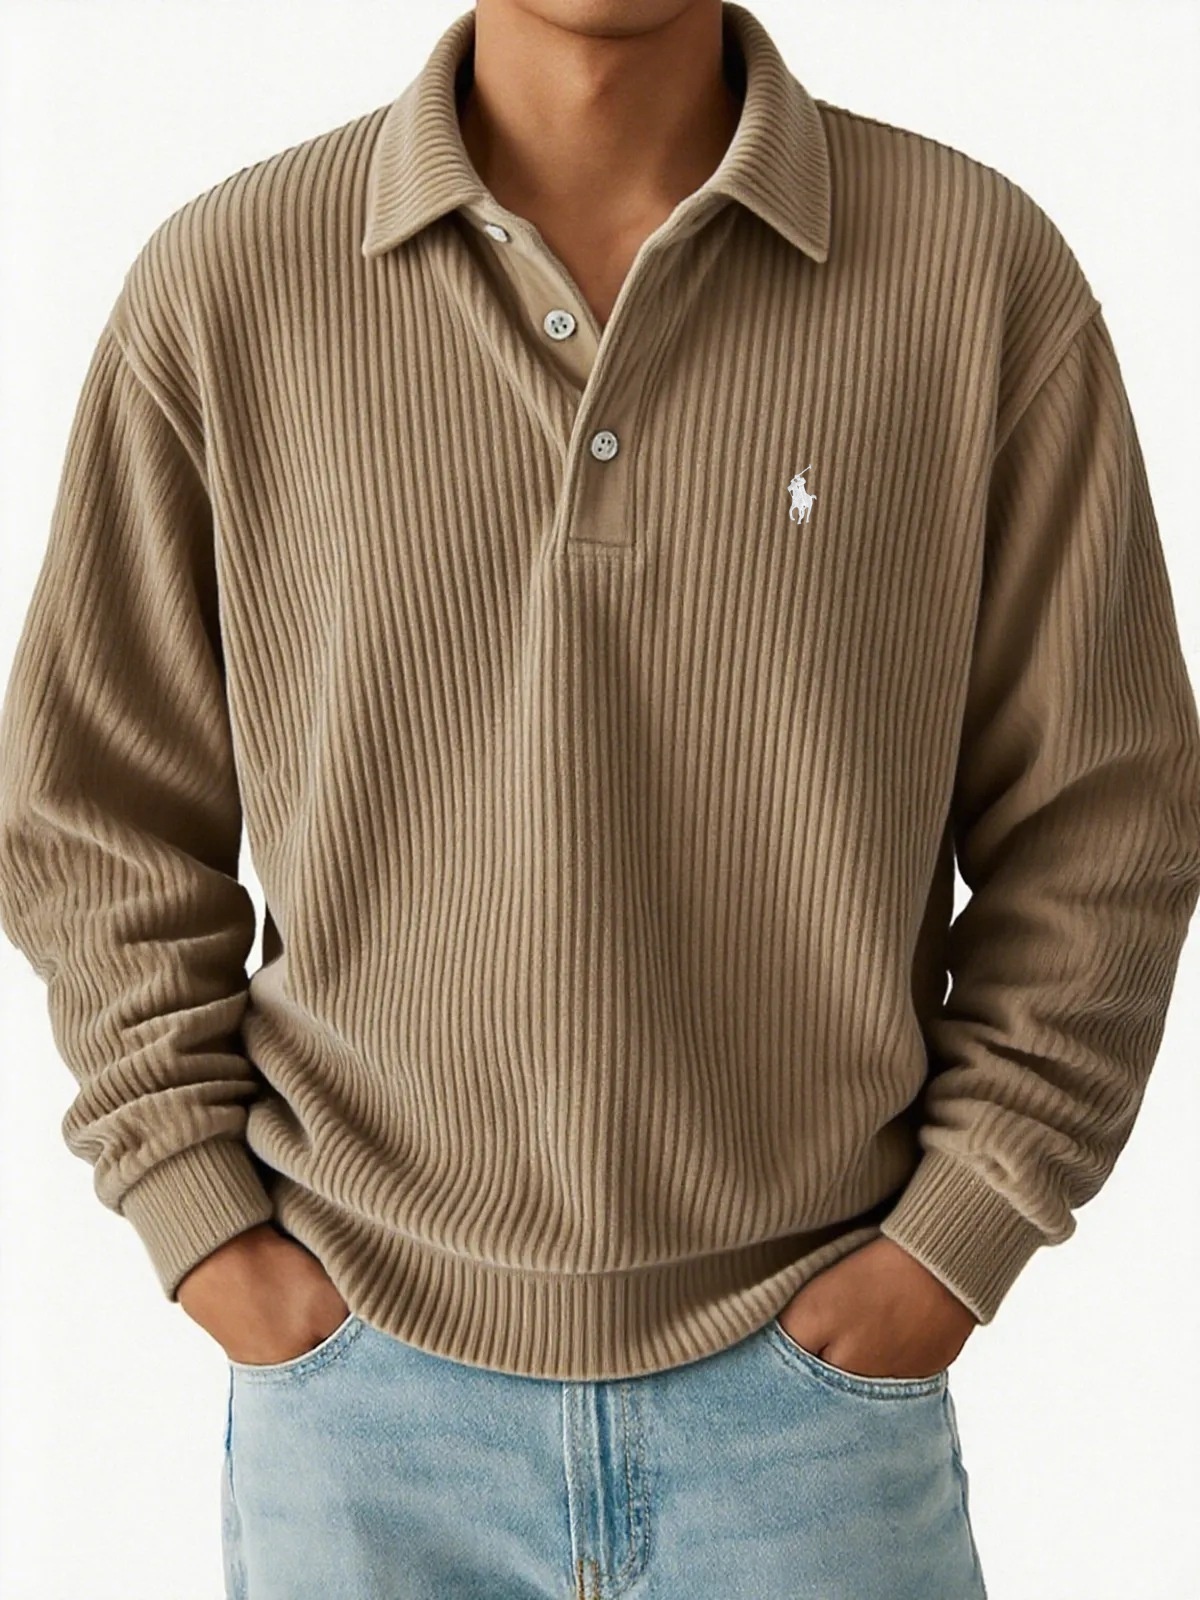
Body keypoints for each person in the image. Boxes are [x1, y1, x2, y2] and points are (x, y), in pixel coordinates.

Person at [2, 2, 1198, 1595]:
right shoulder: (229, 284)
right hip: (363, 1405)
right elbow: (89, 811)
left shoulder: (974, 273)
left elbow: (1106, 817)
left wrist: (961, 1231)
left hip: (817, 1415)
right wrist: (197, 1215)